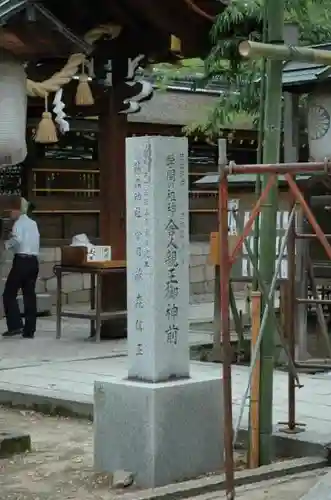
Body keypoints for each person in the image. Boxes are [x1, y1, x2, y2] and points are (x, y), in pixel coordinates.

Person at [2, 198, 40, 339]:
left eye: (11, 210)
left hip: (21, 261)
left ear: (18, 209)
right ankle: (30, 330)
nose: (10, 213)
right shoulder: (33, 223)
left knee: (9, 293)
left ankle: (15, 325)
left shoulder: (18, 224)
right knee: (29, 295)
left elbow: (17, 240)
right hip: (33, 262)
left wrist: (7, 244)